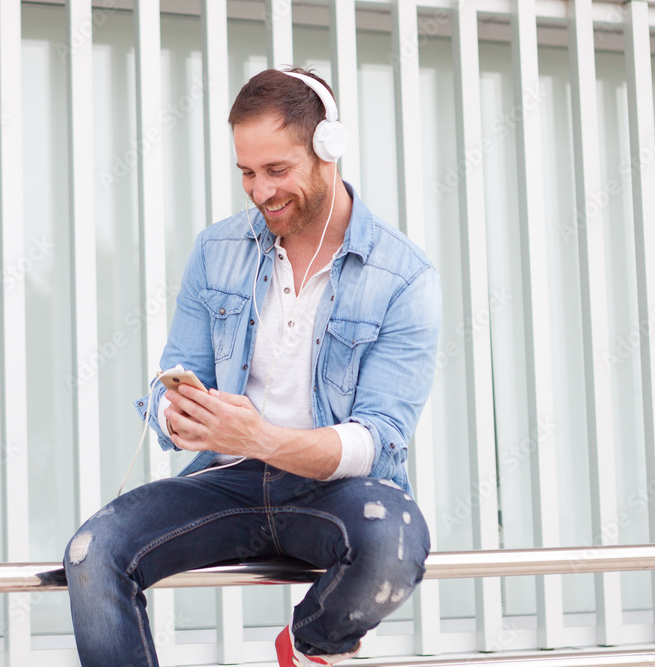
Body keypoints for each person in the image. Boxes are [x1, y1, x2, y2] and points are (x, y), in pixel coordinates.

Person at [63, 67, 441, 666]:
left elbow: (381, 441)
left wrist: (264, 437)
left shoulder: (404, 277)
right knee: (92, 550)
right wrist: (176, 413)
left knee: (394, 542)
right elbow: (173, 377)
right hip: (228, 479)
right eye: (246, 172)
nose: (260, 190)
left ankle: (308, 645)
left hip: (335, 492)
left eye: (277, 170)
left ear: (327, 149)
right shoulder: (217, 250)